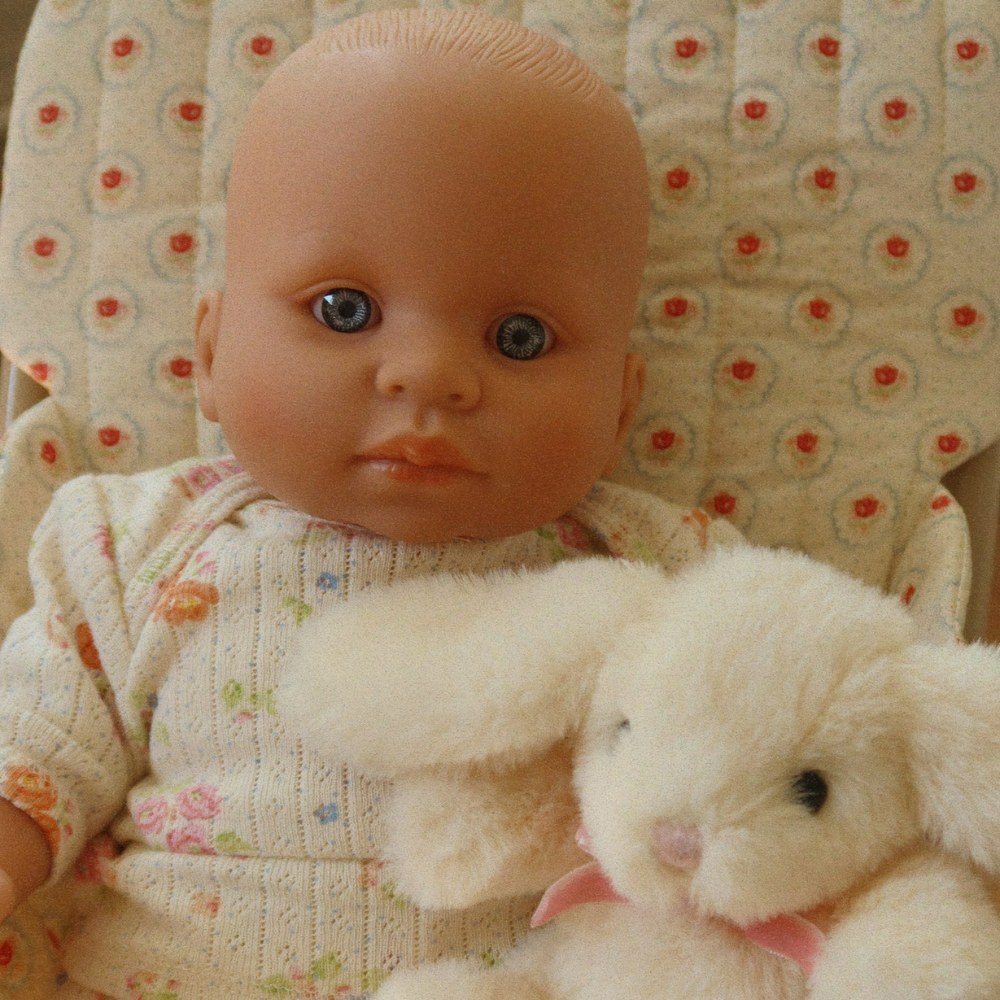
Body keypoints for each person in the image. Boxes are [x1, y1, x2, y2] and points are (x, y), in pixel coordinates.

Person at [0, 10, 739, 997]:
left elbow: (780, 755)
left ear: (620, 407)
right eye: (343, 311)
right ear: (210, 352)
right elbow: (38, 744)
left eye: (518, 337)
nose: (427, 375)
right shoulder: (136, 545)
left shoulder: (663, 572)